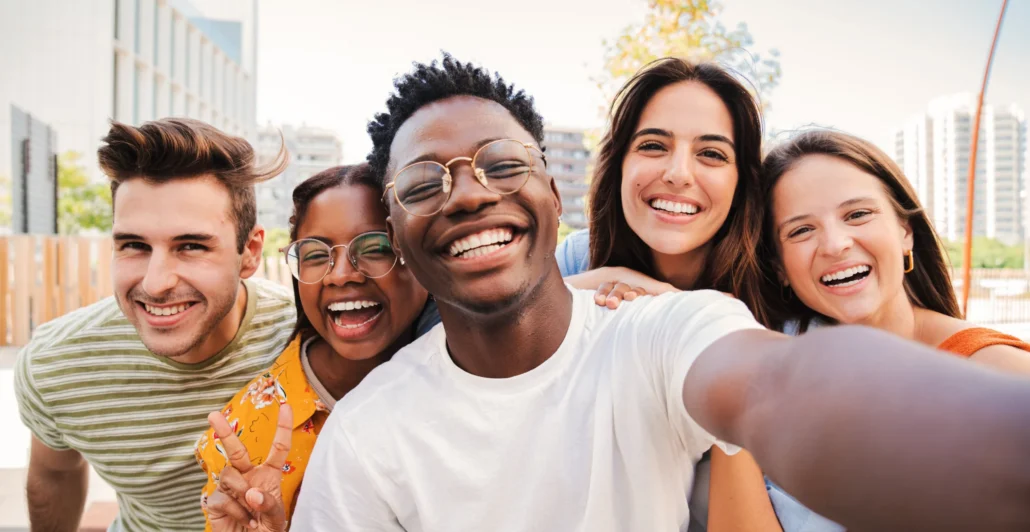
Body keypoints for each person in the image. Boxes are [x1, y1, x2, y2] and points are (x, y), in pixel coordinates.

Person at [219, 55, 1030, 532]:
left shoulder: (674, 328)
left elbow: (783, 387)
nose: (467, 194)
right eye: (425, 182)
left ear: (551, 185)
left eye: (502, 164)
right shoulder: (368, 436)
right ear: (396, 230)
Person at [738, 128, 1030, 530]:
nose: (836, 244)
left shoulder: (995, 372)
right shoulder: (767, 358)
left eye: (858, 214)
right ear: (778, 269)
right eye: (801, 230)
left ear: (905, 232)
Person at [13, 118, 296, 531]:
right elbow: (54, 472)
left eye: (191, 246)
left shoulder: (307, 339)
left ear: (250, 252)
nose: (155, 283)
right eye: (134, 245)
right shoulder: (57, 362)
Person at [553, 57, 777, 531]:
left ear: (742, 182)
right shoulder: (577, 261)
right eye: (653, 145)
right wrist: (581, 289)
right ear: (620, 163)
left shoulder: (779, 301)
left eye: (711, 154)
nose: (678, 173)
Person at [195, 163, 439, 530]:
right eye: (314, 254)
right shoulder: (245, 437)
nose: (341, 274)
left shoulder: (471, 379)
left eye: (375, 248)